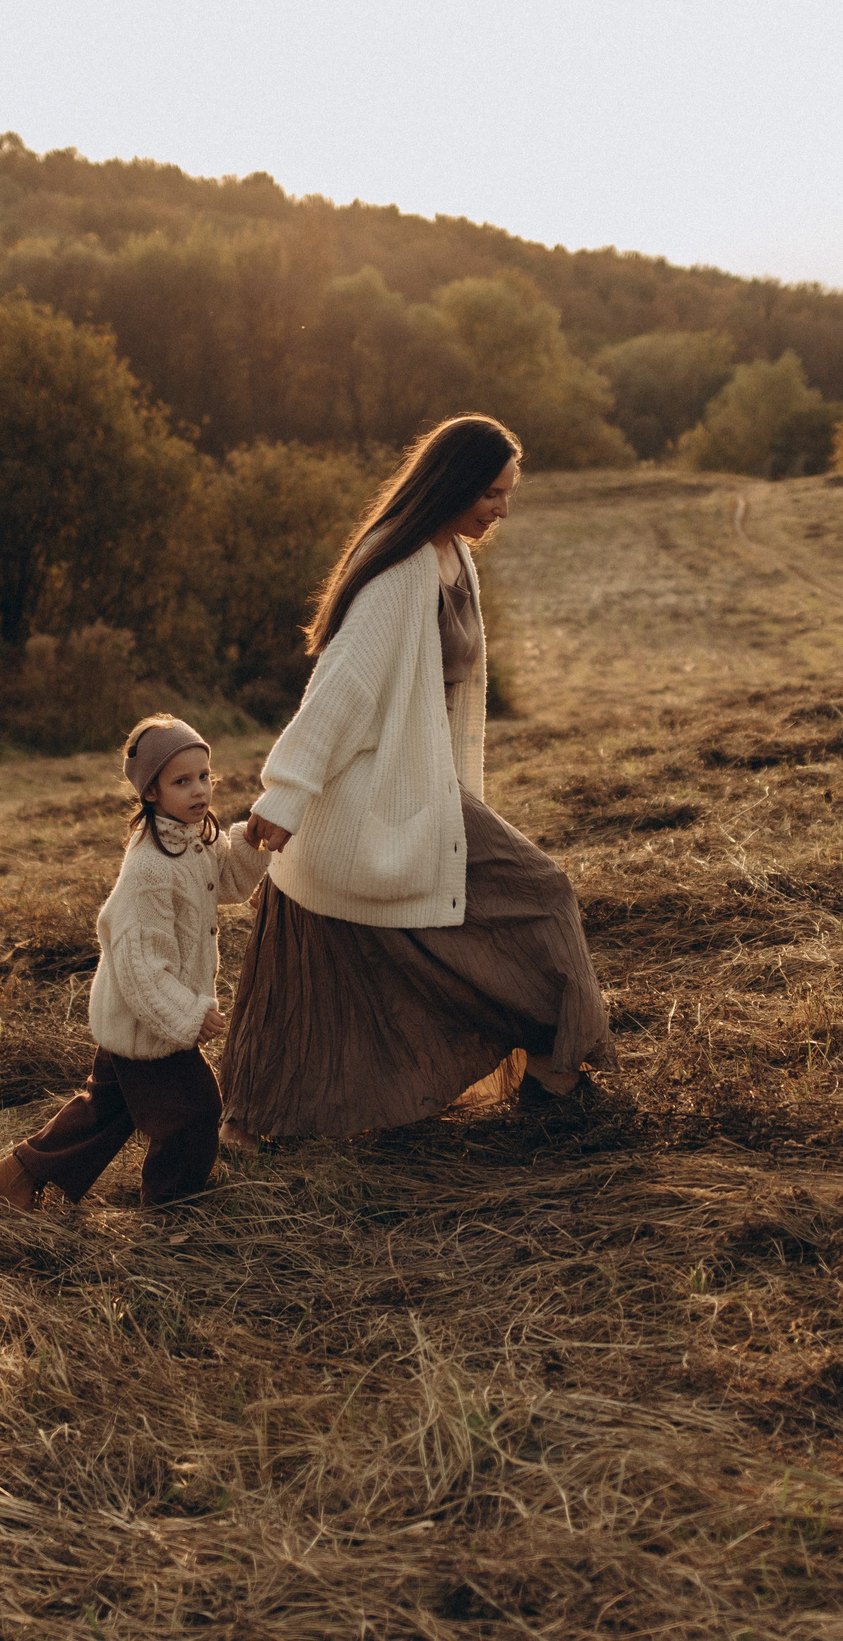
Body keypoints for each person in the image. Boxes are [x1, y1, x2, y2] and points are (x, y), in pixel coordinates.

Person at [217, 414, 614, 1147]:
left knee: (498, 902)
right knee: (544, 890)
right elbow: (340, 688)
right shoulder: (399, 569)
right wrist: (287, 792)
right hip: (379, 788)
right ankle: (555, 1083)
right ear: (456, 482)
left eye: (507, 494)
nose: (502, 509)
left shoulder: (454, 558)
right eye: (492, 493)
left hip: (426, 784)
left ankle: (551, 1079)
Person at [0, 714, 269, 1209]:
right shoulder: (151, 866)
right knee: (194, 1111)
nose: (199, 791)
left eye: (205, 777)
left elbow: (231, 884)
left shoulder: (194, 835)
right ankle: (171, 1208)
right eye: (182, 781)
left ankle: (16, 1174)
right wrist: (189, 1015)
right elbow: (139, 963)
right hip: (147, 1015)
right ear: (151, 793)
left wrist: (251, 843)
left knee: (107, 1109)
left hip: (137, 1015)